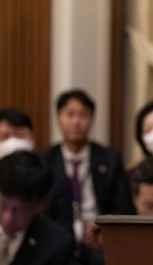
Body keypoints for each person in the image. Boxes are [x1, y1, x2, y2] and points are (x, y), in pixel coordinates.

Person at [41, 89, 130, 245]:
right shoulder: (45, 160)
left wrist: (103, 226)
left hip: (99, 238)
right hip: (56, 239)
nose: (76, 121)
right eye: (70, 114)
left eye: (83, 115)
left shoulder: (110, 159)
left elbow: (122, 208)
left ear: (92, 119)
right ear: (58, 118)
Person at [0, 108, 73, 231]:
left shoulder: (56, 184)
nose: (13, 142)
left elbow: (64, 236)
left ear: (32, 140)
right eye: (4, 137)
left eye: (20, 135)